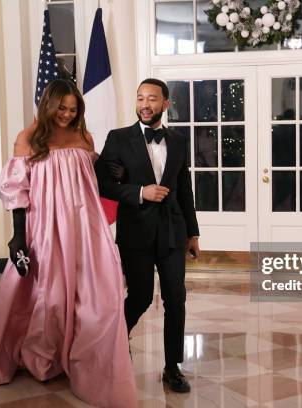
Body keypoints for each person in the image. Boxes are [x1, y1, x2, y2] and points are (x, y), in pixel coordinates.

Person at [0, 79, 137, 408]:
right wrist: (18, 235)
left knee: (97, 294)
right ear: (49, 105)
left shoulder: (84, 137)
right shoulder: (28, 139)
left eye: (73, 109)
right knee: (48, 297)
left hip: (85, 227)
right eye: (62, 108)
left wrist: (114, 171)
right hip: (46, 226)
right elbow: (17, 191)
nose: (67, 114)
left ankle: (88, 355)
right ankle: (42, 356)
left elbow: (93, 181)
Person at [95, 78, 200, 393]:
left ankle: (172, 367)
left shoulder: (179, 141)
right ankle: (114, 344)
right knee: (139, 297)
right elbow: (104, 184)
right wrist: (141, 192)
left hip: (171, 231)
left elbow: (184, 189)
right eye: (140, 97)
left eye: (152, 98)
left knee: (176, 299)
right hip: (136, 233)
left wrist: (192, 232)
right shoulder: (118, 139)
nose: (145, 104)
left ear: (165, 104)